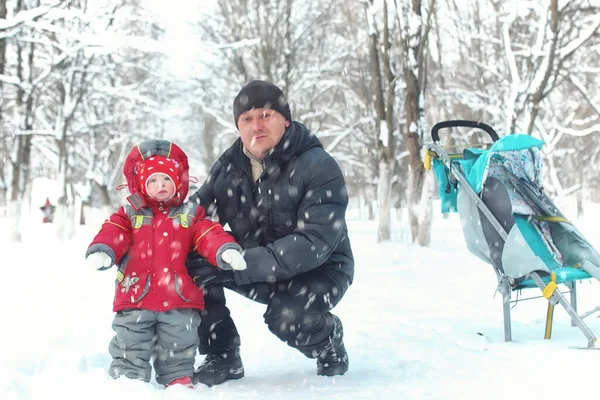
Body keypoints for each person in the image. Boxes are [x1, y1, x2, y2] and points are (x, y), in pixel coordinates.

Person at [186, 80, 354, 386]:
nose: (256, 126)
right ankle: (222, 354)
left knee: (287, 317)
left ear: (285, 119)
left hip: (321, 271)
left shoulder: (318, 166)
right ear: (238, 126)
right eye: (247, 119)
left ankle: (327, 340)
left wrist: (240, 266)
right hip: (257, 268)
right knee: (190, 262)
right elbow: (193, 219)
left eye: (266, 115)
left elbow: (314, 243)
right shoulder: (228, 169)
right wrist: (147, 233)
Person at [84, 139, 247, 388]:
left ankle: (178, 382)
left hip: (179, 299)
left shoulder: (191, 214)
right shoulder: (128, 215)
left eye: (166, 180)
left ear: (178, 183)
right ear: (141, 184)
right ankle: (128, 382)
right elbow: (112, 232)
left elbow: (208, 234)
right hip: (136, 295)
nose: (160, 186)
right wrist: (104, 250)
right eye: (152, 181)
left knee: (179, 343)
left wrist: (224, 250)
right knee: (131, 341)